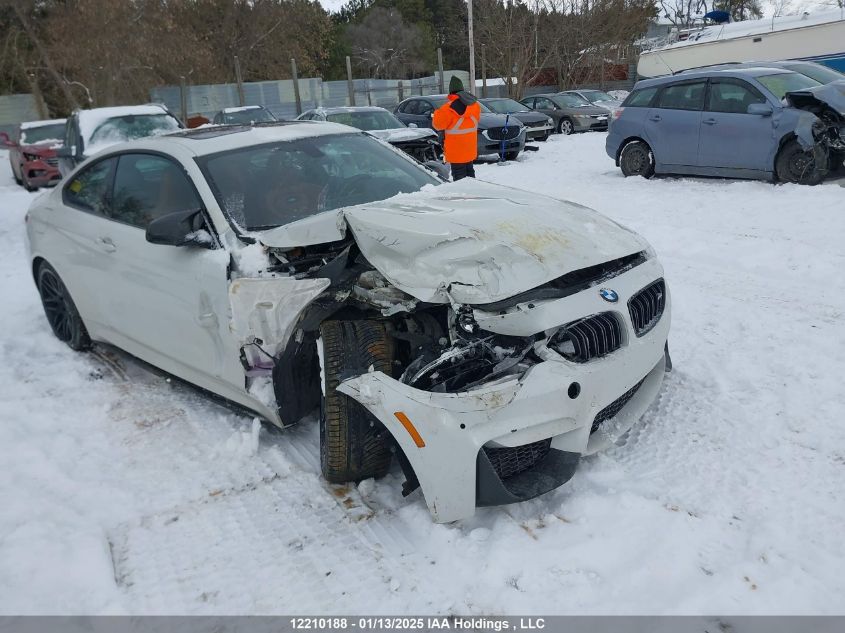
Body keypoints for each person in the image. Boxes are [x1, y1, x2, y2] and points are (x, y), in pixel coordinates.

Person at [432, 76, 481, 181]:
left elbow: (438, 125)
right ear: (462, 90)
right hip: (470, 150)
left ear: (451, 92)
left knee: (460, 182)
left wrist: (436, 112)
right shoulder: (475, 105)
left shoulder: (447, 109)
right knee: (470, 176)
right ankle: (474, 195)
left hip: (456, 152)